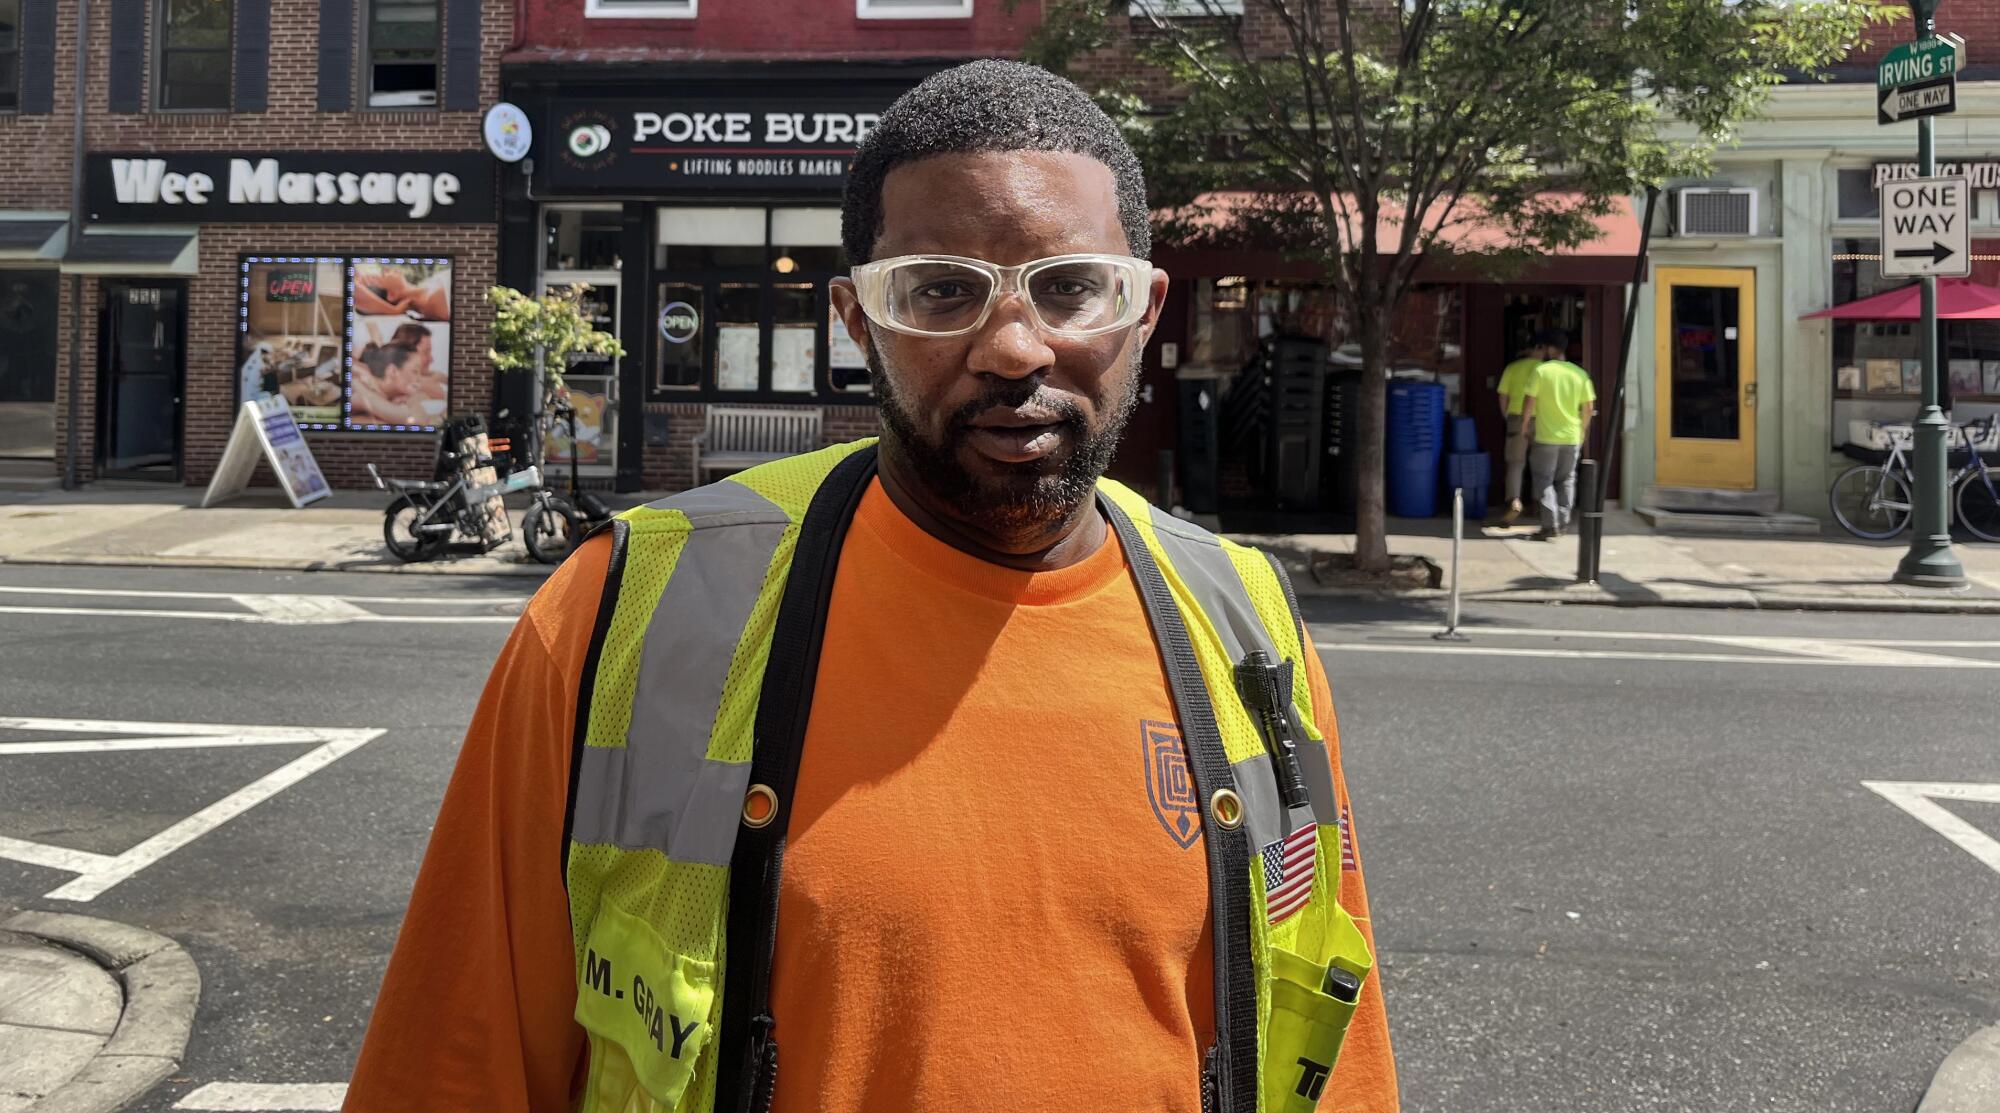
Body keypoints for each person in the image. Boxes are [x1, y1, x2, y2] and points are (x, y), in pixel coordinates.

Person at [347, 60, 1398, 1113]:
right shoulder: (615, 611)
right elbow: (449, 1067)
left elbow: (1331, 1056)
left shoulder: (1249, 625)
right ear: (856, 321)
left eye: (1070, 286)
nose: (1013, 346)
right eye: (940, 290)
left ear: (1142, 310)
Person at [1521, 329, 1596, 541]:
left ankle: (1549, 525)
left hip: (1546, 436)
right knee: (1567, 480)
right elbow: (1589, 407)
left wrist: (1525, 425)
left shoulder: (1541, 371)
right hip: (1572, 436)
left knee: (1544, 480)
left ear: (1551, 349)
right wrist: (1583, 429)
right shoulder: (1580, 374)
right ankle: (1562, 523)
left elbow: (1529, 401)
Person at [1494, 335, 1548, 525]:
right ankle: (1538, 503)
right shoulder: (1545, 370)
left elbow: (1502, 395)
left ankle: (1514, 501)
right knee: (1540, 463)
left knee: (1515, 463)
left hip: (1516, 417)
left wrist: (1506, 415)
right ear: (1541, 350)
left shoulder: (1513, 368)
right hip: (1541, 419)